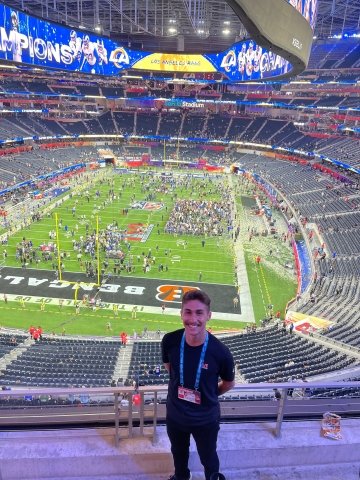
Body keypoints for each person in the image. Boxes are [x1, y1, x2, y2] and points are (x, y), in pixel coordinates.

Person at [162, 289, 235, 480]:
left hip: (205, 419)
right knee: (178, 453)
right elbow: (171, 371)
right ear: (181, 313)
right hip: (176, 415)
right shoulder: (169, 341)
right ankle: (181, 477)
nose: (193, 318)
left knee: (208, 456)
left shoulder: (221, 352)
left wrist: (209, 394)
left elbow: (228, 383)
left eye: (199, 312)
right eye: (188, 312)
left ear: (209, 315)